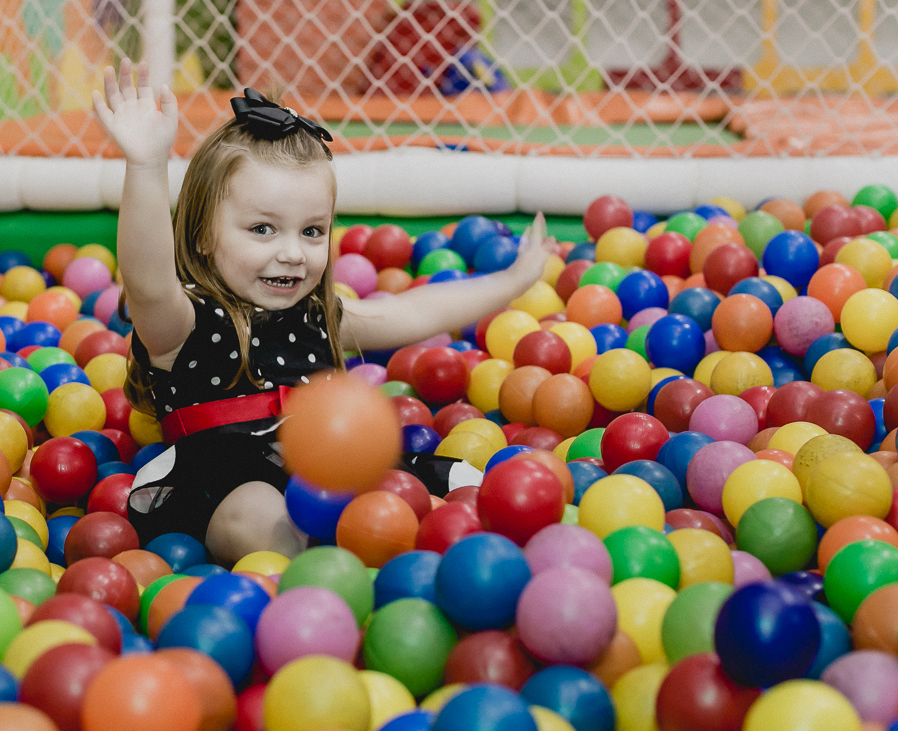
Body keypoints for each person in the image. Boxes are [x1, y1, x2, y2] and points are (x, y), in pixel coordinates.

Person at [92, 59, 556, 565]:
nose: (293, 253)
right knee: (257, 510)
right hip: (227, 481)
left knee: (458, 485)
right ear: (203, 234)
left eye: (312, 231)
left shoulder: (316, 316)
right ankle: (316, 576)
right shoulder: (186, 326)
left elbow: (417, 311)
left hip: (337, 470)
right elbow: (147, 282)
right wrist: (146, 166)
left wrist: (513, 280)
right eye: (263, 229)